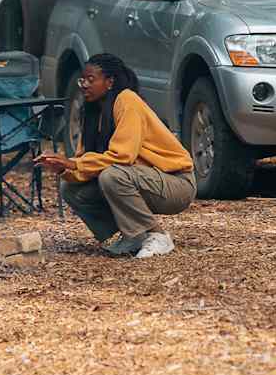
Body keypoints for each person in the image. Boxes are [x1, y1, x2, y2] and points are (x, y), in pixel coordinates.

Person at [35, 54, 196, 258]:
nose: (84, 85)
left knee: (111, 176)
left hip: (177, 183)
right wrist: (64, 168)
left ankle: (157, 236)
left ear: (110, 82)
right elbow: (85, 165)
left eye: (91, 80)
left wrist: (74, 164)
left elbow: (123, 157)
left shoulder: (127, 101)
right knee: (71, 188)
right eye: (82, 80)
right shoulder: (92, 112)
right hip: (140, 178)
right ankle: (132, 237)